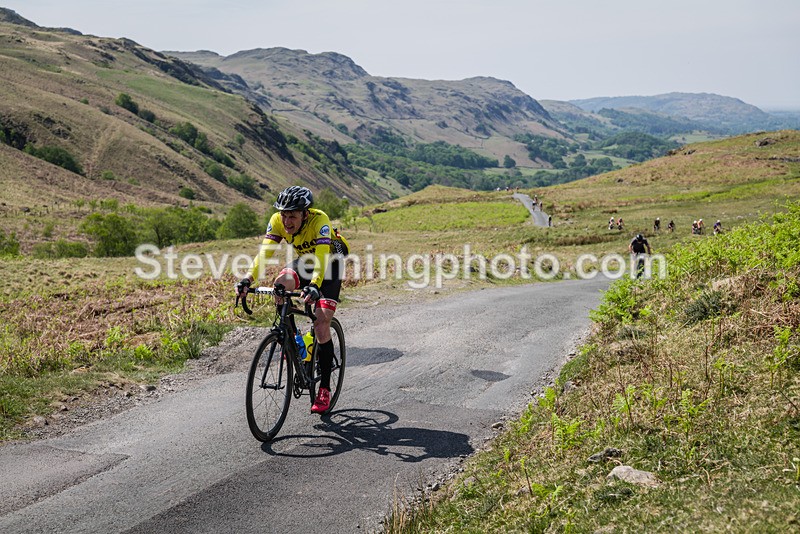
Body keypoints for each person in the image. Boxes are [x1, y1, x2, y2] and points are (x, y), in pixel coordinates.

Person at [236, 186, 348, 414]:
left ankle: (324, 388)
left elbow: (322, 258)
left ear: (305, 214)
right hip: (306, 262)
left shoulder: (320, 221)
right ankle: (295, 339)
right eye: (284, 215)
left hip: (330, 263)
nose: (286, 221)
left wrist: (315, 286)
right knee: (280, 285)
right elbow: (265, 253)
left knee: (321, 322)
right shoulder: (277, 220)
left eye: (292, 216)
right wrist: (248, 279)